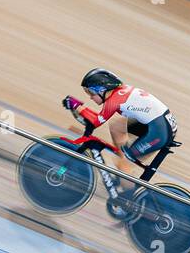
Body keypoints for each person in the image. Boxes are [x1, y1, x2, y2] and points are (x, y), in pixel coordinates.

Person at [61, 68, 178, 196]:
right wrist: (79, 108)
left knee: (123, 165)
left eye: (91, 93)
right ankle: (125, 164)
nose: (90, 98)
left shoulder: (114, 100)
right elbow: (97, 119)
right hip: (159, 124)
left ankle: (127, 201)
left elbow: (95, 121)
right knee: (116, 126)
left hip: (159, 132)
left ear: (101, 90)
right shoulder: (119, 93)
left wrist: (77, 106)